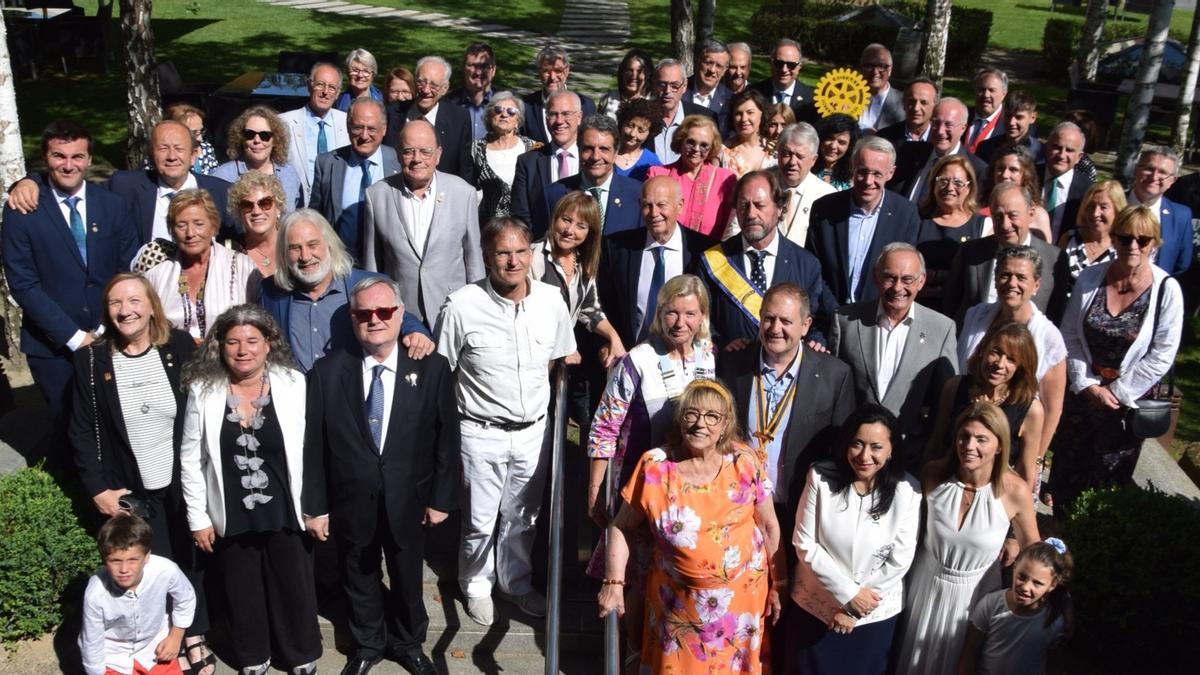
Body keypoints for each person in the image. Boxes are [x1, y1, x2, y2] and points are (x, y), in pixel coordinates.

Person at [303, 277, 458, 675]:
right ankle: (368, 644)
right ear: (353, 318)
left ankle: (408, 643)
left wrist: (441, 499)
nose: (375, 320)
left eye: (384, 311)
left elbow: (446, 441)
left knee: (408, 576)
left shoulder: (433, 369)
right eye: (364, 313)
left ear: (400, 315)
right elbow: (314, 447)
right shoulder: (326, 372)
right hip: (351, 502)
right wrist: (316, 507)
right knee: (359, 574)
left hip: (410, 499)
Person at [434, 217, 576, 626]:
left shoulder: (552, 300)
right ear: (486, 257)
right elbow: (444, 372)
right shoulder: (461, 305)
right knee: (479, 519)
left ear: (531, 254)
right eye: (502, 253)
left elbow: (558, 359)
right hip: (480, 432)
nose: (512, 261)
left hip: (534, 431)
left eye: (520, 252)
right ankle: (476, 583)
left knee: (523, 517)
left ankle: (515, 583)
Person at [70, 274, 212, 674]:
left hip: (179, 478)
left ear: (151, 305)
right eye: (116, 303)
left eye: (134, 300)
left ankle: (194, 632)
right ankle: (161, 636)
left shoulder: (179, 347)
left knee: (189, 557)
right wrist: (97, 488)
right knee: (150, 564)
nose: (125, 310)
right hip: (128, 486)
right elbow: (79, 430)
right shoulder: (92, 359)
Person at [597, 379, 785, 673]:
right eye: (691, 414)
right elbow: (620, 527)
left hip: (740, 608)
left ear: (725, 425)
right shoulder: (655, 467)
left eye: (712, 417)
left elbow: (770, 526)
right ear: (680, 419)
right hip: (677, 609)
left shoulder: (745, 462)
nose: (701, 424)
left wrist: (780, 584)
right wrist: (613, 583)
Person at [179, 306, 320, 674]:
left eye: (252, 341)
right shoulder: (203, 390)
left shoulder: (293, 383)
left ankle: (300, 653)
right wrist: (198, 518)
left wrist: (316, 506)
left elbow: (312, 449)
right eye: (233, 342)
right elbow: (191, 459)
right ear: (220, 347)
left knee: (293, 584)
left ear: (269, 344)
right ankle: (254, 655)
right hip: (231, 509)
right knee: (242, 591)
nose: (243, 350)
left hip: (285, 507)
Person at [1, 120, 139, 449]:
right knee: (69, 431)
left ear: (90, 159)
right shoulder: (22, 212)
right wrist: (76, 338)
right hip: (52, 346)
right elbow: (23, 284)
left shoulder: (113, 206)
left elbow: (128, 269)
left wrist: (108, 327)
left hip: (112, 335)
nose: (68, 165)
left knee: (118, 426)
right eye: (58, 156)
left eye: (77, 156)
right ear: (45, 158)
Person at [1049, 206, 1184, 510]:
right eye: (1125, 239)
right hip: (1083, 394)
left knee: (1107, 486)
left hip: (1125, 404)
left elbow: (1163, 353)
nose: (1133, 246)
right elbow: (1069, 334)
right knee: (1066, 473)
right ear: (1114, 239)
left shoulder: (1167, 290)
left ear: (1155, 243)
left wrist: (1116, 392)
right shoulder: (1090, 278)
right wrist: (1086, 384)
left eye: (1143, 239)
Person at [894, 402, 1040, 675]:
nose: (969, 445)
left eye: (981, 439)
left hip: (975, 598)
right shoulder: (933, 475)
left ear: (999, 446)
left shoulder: (1015, 491)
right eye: (964, 436)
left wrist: (1053, 600)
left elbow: (1034, 550)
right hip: (924, 588)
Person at [788, 405, 921, 674]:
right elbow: (805, 544)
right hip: (816, 607)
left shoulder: (908, 490)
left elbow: (900, 559)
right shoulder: (820, 477)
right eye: (857, 444)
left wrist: (853, 610)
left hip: (874, 615)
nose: (865, 455)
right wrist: (848, 595)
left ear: (891, 449)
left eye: (876, 447)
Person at [717, 282, 854, 542]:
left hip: (799, 513)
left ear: (806, 325)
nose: (775, 328)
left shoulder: (835, 375)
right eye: (768, 318)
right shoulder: (732, 364)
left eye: (785, 321)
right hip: (738, 510)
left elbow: (840, 452)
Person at [588, 273, 716, 529]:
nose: (680, 323)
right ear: (659, 313)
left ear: (702, 316)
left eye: (690, 314)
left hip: (694, 491)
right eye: (672, 313)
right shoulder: (637, 360)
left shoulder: (709, 357)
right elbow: (604, 427)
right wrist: (594, 491)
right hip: (639, 489)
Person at [830, 243, 958, 467]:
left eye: (907, 279)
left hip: (908, 456)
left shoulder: (941, 329)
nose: (898, 287)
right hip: (855, 455)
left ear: (922, 281)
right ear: (876, 277)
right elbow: (831, 390)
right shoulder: (846, 321)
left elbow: (945, 400)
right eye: (890, 277)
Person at [2, 121, 233, 245]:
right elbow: (73, 183)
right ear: (152, 155)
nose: (172, 156)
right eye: (163, 149)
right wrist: (30, 180)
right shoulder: (126, 185)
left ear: (194, 155)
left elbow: (251, 231)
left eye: (179, 149)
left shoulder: (217, 191)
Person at [260, 209, 431, 373]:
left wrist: (415, 331)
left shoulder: (367, 284)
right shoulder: (271, 293)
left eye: (312, 245)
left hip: (351, 396)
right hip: (299, 397)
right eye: (295, 248)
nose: (305, 256)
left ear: (329, 245)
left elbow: (398, 314)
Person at [364, 119, 485, 327]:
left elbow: (473, 259)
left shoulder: (463, 193)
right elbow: (372, 263)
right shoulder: (377, 195)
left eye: (425, 151)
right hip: (401, 315)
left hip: (453, 312)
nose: (416, 159)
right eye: (408, 151)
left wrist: (479, 311)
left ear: (438, 154)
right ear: (397, 153)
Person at [958, 245, 1067, 471]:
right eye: (1005, 275)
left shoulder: (1049, 337)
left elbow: (1052, 409)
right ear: (996, 279)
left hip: (1011, 452)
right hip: (963, 439)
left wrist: (1033, 461)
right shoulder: (975, 315)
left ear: (1036, 285)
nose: (1011, 283)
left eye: (1021, 277)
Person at [699, 170, 837, 348]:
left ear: (780, 208)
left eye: (759, 205)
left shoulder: (806, 264)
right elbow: (701, 319)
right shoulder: (712, 260)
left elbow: (818, 319)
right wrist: (721, 344)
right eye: (744, 206)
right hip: (732, 368)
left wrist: (816, 340)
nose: (751, 214)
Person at [927, 322, 1045, 495]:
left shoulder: (1030, 409)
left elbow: (1026, 472)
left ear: (1020, 367)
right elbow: (935, 444)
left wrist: (1016, 512)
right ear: (982, 349)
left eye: (1011, 359)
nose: (1000, 364)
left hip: (995, 497)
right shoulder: (954, 388)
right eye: (995, 352)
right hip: (947, 488)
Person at [597, 176, 716, 348]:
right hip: (629, 357)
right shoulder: (617, 248)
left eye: (662, 205)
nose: (654, 213)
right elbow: (603, 302)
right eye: (647, 205)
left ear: (680, 206)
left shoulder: (704, 251)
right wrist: (605, 343)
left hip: (685, 359)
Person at [808, 136, 921, 305]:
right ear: (852, 167)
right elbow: (813, 268)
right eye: (862, 171)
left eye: (877, 174)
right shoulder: (824, 209)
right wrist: (834, 313)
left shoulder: (905, 214)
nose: (868, 181)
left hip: (878, 317)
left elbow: (904, 273)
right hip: (829, 316)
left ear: (891, 173)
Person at [79, 514, 197, 675]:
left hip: (155, 648)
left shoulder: (165, 570)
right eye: (115, 561)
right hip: (114, 657)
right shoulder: (96, 594)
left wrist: (175, 638)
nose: (124, 569)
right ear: (104, 559)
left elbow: (186, 598)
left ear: (147, 556)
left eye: (133, 559)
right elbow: (92, 642)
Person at [944, 182, 1066, 327]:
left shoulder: (1055, 259)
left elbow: (1056, 314)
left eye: (1013, 215)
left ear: (1031, 214)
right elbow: (950, 305)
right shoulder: (970, 252)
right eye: (998, 217)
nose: (1005, 224)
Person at [145, 190, 260, 342]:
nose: (190, 233)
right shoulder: (157, 275)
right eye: (181, 225)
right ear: (172, 231)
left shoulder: (242, 266)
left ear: (213, 226)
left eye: (198, 224)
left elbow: (258, 321)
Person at [533, 192, 626, 363]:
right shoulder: (534, 256)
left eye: (580, 226)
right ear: (555, 219)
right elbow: (529, 313)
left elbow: (590, 310)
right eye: (566, 220)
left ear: (590, 233)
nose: (569, 230)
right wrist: (562, 345)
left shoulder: (584, 264)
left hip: (559, 362)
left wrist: (614, 337)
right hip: (532, 357)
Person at [958, 540, 1074, 675]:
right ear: (1015, 567)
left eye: (1037, 583)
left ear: (1053, 585)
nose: (1025, 587)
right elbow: (969, 654)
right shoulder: (991, 605)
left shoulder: (1054, 620)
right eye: (1022, 577)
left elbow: (1054, 665)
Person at [308, 97, 400, 262]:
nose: (364, 135)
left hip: (386, 264)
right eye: (358, 127)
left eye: (371, 128)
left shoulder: (399, 162)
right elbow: (316, 216)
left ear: (384, 129)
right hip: (341, 263)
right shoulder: (327, 163)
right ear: (348, 128)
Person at [536, 114, 643, 238]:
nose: (596, 157)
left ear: (615, 153)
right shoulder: (553, 195)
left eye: (604, 149)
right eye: (588, 149)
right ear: (579, 149)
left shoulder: (637, 194)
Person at [734, 121, 834, 247]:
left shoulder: (827, 195)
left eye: (800, 156)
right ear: (778, 153)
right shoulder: (758, 184)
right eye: (786, 154)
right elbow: (736, 228)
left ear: (813, 160)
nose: (792, 162)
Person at [385, 55, 474, 183]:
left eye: (434, 85)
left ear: (444, 89)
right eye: (421, 82)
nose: (426, 90)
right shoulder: (392, 113)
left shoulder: (459, 119)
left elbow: (465, 169)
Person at [646, 114, 737, 238]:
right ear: (681, 140)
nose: (696, 149)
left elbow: (729, 229)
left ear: (712, 148)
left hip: (709, 252)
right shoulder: (658, 174)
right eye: (690, 142)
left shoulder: (725, 179)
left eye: (704, 145)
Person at [890, 97, 987, 203]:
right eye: (936, 123)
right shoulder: (909, 152)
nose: (940, 131)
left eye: (948, 125)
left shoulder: (976, 170)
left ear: (963, 128)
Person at [917, 155, 986, 303]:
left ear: (969, 188)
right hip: (919, 307)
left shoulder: (982, 226)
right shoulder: (918, 219)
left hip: (961, 311)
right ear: (933, 185)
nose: (949, 188)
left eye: (958, 183)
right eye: (943, 181)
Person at [280, 62, 351, 204]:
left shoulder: (348, 123)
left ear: (338, 93)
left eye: (332, 88)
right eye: (320, 84)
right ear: (309, 86)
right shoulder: (284, 123)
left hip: (337, 207)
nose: (325, 92)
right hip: (298, 206)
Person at [511, 91, 583, 227]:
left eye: (566, 114)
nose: (559, 121)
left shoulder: (593, 160)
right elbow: (520, 216)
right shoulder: (527, 163)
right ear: (546, 118)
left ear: (579, 117)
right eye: (553, 114)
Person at [212, 105, 303, 211]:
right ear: (241, 138)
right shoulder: (222, 176)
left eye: (265, 136)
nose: (257, 140)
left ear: (275, 140)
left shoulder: (289, 173)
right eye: (249, 134)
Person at [470, 90, 540, 223]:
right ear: (490, 117)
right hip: (486, 226)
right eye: (498, 110)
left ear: (517, 121)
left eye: (511, 111)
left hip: (522, 225)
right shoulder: (475, 149)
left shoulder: (532, 148)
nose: (504, 114)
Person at [1053, 180, 1124, 311]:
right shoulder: (1069, 238)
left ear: (1117, 210)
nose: (1095, 213)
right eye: (1091, 206)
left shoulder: (1121, 248)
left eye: (1103, 207)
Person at [1127, 145, 1193, 275]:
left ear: (1172, 181)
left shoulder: (1181, 216)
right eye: (1149, 169)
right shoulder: (1111, 205)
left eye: (1162, 172)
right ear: (1136, 170)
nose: (1154, 176)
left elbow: (1182, 264)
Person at [521, 44, 598, 145]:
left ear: (567, 71)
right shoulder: (526, 107)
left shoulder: (586, 106)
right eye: (546, 71)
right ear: (539, 72)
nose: (552, 77)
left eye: (558, 71)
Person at [650, 59, 719, 165]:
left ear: (684, 86)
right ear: (654, 85)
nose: (667, 91)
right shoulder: (643, 116)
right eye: (662, 85)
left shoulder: (706, 117)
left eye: (674, 86)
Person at [981, 143, 1052, 242]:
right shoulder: (978, 209)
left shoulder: (1037, 215)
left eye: (1013, 169)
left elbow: (1045, 253)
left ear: (1025, 175)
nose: (1005, 175)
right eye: (1000, 168)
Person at [1039, 122, 1094, 242]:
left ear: (1079, 157)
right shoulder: (1028, 176)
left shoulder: (1087, 190)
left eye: (1069, 150)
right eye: (1056, 147)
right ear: (1047, 147)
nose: (1061, 155)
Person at [227, 172, 286, 279]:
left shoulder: (293, 245)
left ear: (278, 208)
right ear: (239, 212)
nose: (256, 211)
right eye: (247, 205)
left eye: (265, 203)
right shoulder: (228, 252)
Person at [752, 38, 816, 123]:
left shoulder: (811, 99)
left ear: (799, 67)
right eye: (779, 63)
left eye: (791, 65)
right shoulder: (754, 93)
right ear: (771, 63)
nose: (784, 69)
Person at [975, 90, 1043, 165]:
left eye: (1019, 117)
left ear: (1032, 118)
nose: (1011, 122)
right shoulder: (986, 148)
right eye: (1008, 116)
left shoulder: (1040, 152)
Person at [449, 42, 497, 141]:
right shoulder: (448, 104)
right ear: (463, 68)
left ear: (493, 70)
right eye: (472, 65)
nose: (478, 72)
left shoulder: (507, 105)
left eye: (484, 66)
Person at [722, 89, 773, 177]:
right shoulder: (723, 152)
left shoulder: (773, 149)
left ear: (762, 113)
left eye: (750, 112)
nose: (744, 119)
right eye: (738, 114)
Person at [685, 40, 734, 131]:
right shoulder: (680, 90)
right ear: (697, 61)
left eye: (719, 66)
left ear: (725, 70)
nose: (712, 70)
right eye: (708, 63)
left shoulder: (730, 100)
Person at [877, 77, 939, 149]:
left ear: (935, 107)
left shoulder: (940, 139)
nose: (916, 108)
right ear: (904, 103)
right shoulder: (884, 138)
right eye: (911, 102)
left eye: (923, 103)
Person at [613, 97, 663, 182]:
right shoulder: (607, 152)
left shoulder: (652, 162)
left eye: (641, 130)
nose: (632, 134)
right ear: (621, 123)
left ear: (650, 134)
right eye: (630, 125)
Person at [857, 44, 904, 132]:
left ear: (890, 70)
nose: (875, 72)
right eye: (869, 65)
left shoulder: (904, 103)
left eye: (881, 66)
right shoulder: (846, 97)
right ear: (861, 68)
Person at [597, 48, 654, 120]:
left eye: (639, 71)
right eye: (629, 70)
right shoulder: (608, 100)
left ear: (647, 75)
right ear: (622, 73)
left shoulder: (653, 104)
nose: (633, 76)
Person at [164, 103, 218, 176]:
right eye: (194, 133)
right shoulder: (163, 154)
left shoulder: (206, 148)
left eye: (201, 131)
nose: (200, 139)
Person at [965, 68, 1009, 154]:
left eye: (992, 90)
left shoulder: (1010, 123)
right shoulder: (963, 115)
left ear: (1004, 94)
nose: (986, 95)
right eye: (981, 90)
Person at [813, 113, 859, 191]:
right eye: (829, 138)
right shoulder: (806, 168)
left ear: (850, 146)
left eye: (841, 142)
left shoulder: (854, 177)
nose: (833, 146)